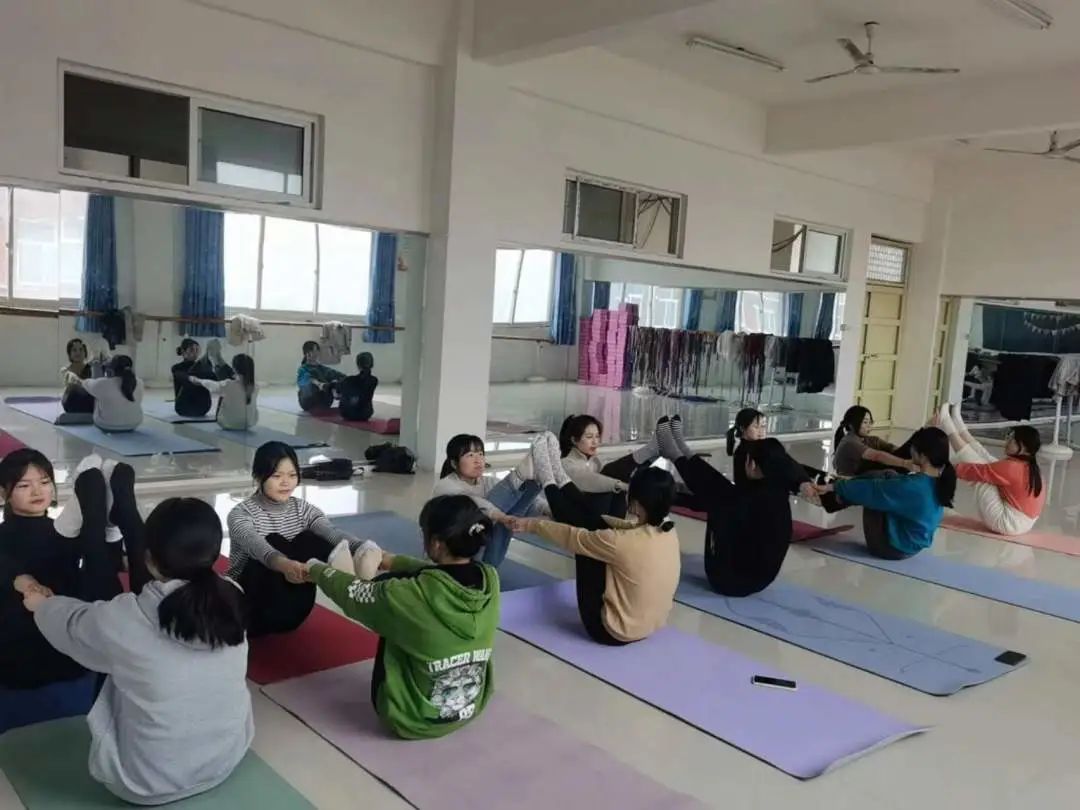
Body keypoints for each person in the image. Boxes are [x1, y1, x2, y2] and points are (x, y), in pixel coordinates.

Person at [25, 497, 253, 806]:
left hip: (145, 783)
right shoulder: (233, 596)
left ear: (148, 558)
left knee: (106, 657)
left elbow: (72, 627)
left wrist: (41, 604)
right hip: (225, 760)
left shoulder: (127, 617)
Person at [304, 495, 498, 739]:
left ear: (436, 543)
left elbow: (353, 595)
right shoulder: (490, 578)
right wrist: (395, 561)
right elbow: (439, 575)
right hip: (469, 707)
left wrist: (316, 569)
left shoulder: (405, 595)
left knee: (389, 601)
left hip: (411, 720)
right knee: (399, 592)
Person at [0, 450, 146, 690]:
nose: (37, 492)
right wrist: (24, 582)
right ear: (4, 493)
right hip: (29, 644)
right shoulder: (5, 536)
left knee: (95, 564)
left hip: (75, 637)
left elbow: (109, 565)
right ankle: (103, 515)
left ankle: (104, 519)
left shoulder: (54, 530)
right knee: (85, 548)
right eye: (24, 486)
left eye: (44, 482)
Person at [226, 441, 381, 636]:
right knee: (275, 540)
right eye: (277, 476)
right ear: (258, 476)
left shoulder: (303, 509)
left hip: (294, 610)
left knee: (311, 539)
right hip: (249, 610)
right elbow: (259, 547)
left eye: (292, 475)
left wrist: (361, 547)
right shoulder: (240, 515)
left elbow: (329, 531)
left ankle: (353, 580)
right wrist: (286, 565)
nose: (286, 482)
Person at [513, 465, 680, 646]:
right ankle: (553, 485)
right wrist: (600, 519)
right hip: (649, 626)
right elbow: (627, 528)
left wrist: (531, 525)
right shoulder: (668, 529)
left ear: (637, 503)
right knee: (594, 530)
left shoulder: (619, 542)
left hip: (611, 632)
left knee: (586, 546)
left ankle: (549, 482)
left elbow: (573, 537)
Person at [653, 417, 819, 597]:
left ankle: (675, 453)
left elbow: (703, 502)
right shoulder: (774, 489)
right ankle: (678, 451)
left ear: (753, 464)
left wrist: (667, 497)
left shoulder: (750, 499)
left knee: (719, 494)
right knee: (722, 491)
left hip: (729, 581)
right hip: (757, 579)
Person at [818, 427, 956, 560]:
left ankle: (834, 497)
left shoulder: (913, 486)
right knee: (888, 475)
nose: (911, 451)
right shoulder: (939, 480)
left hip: (890, 549)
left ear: (924, 457)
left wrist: (834, 487)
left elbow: (871, 490)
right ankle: (839, 493)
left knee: (872, 492)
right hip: (911, 546)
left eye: (913, 448)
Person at [432, 433, 550, 566]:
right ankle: (519, 476)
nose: (478, 460)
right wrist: (501, 516)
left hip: (486, 556)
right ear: (454, 463)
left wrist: (548, 509)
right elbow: (474, 504)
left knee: (518, 498)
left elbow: (528, 505)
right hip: (456, 552)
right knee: (495, 511)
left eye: (480, 454)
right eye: (470, 455)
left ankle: (534, 481)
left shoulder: (487, 482)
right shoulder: (445, 486)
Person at [937, 404, 1045, 536]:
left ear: (1022, 447)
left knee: (983, 476)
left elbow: (975, 471)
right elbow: (991, 467)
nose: (1007, 441)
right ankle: (960, 428)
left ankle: (947, 426)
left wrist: (948, 468)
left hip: (1009, 523)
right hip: (1022, 523)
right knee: (990, 463)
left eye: (1011, 439)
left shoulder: (1013, 468)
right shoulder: (1028, 466)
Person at [557, 414, 660, 517]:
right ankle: (650, 450)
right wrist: (619, 485)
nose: (595, 442)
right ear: (574, 440)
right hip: (580, 516)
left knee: (624, 475)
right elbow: (589, 480)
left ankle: (652, 455)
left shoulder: (595, 461)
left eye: (597, 436)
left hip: (607, 514)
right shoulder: (565, 463)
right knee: (609, 476)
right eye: (589, 437)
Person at [832, 405, 917, 477]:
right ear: (851, 425)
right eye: (865, 422)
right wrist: (904, 463)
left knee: (910, 448)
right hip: (852, 481)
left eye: (870, 422)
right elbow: (877, 456)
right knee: (890, 473)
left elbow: (891, 447)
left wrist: (902, 455)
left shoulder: (871, 440)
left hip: (864, 472)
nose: (869, 426)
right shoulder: (850, 442)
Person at [68, 355, 143, 432]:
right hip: (134, 423)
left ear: (112, 369)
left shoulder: (103, 383)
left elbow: (84, 383)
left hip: (107, 424)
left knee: (96, 394)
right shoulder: (140, 382)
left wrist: (75, 378)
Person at [191, 353, 259, 430]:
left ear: (234, 369)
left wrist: (198, 380)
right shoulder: (256, 387)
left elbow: (212, 385)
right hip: (249, 423)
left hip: (228, 423)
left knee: (223, 393)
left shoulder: (228, 384)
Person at [297, 340, 346, 412]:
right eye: (315, 350)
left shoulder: (323, 369)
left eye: (316, 350)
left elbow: (338, 375)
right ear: (307, 354)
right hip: (309, 402)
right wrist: (319, 384)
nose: (317, 353)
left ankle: (334, 391)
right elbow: (306, 380)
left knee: (336, 379)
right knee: (310, 382)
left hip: (324, 402)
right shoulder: (303, 369)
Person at [172, 338, 213, 418]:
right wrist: (192, 378)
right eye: (191, 350)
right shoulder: (176, 368)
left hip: (203, 408)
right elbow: (184, 377)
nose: (195, 353)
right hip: (183, 407)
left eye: (197, 350)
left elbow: (212, 378)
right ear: (183, 352)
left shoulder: (201, 366)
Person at [339, 352, 379, 422]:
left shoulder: (349, 380)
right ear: (372, 364)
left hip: (348, 414)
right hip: (366, 414)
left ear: (358, 365)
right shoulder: (374, 380)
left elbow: (339, 390)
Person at [60, 338, 95, 414]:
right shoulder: (66, 370)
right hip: (72, 402)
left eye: (81, 349)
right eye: (74, 350)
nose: (78, 352)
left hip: (88, 402)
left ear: (85, 352)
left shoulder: (91, 368)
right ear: (69, 353)